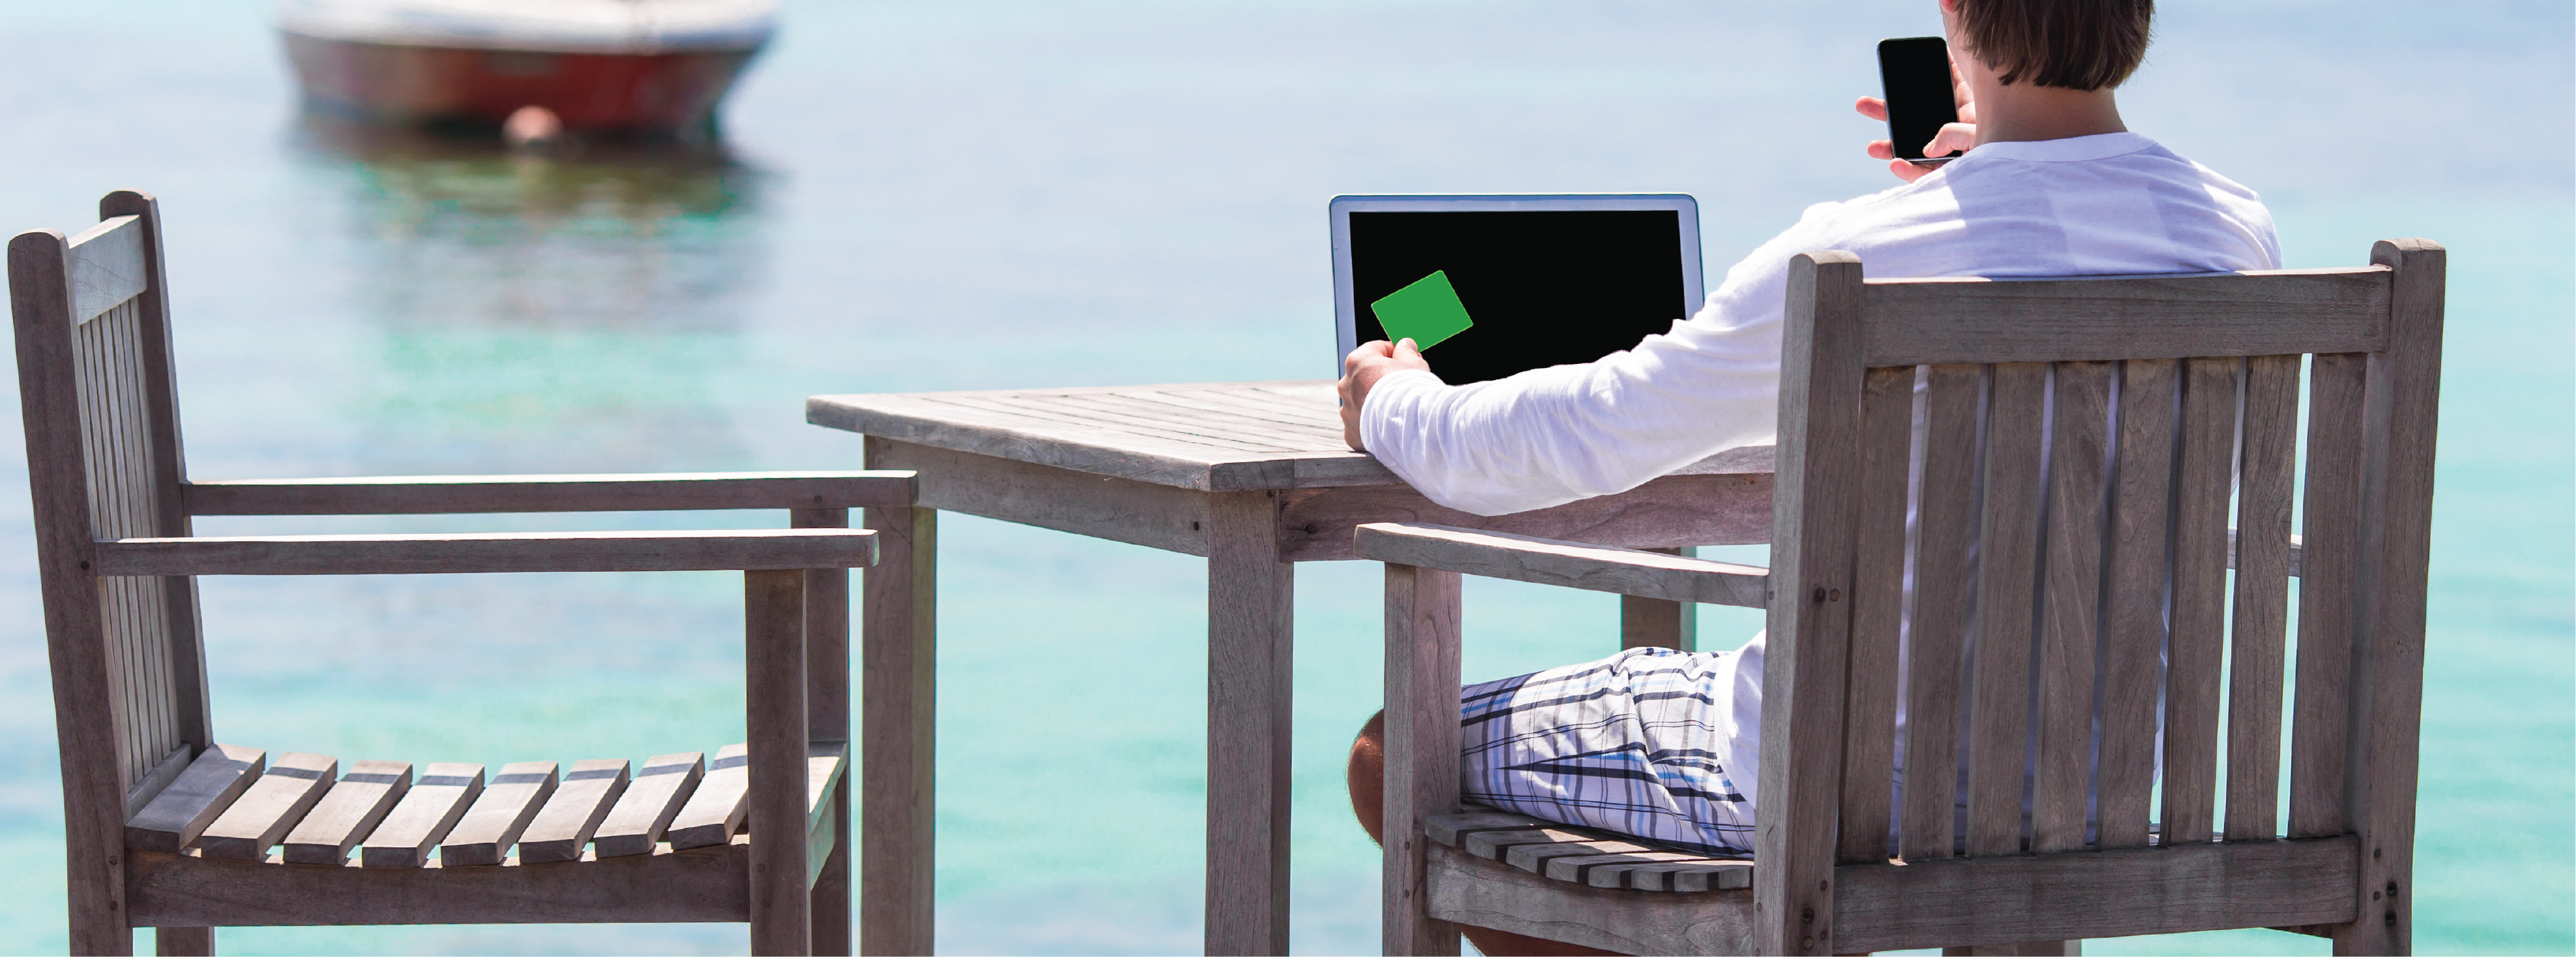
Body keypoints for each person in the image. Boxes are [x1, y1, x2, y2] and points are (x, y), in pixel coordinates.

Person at [1336, 1, 2279, 954]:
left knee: (1395, 752)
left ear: (1955, 13)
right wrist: (1985, 177)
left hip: (1840, 787)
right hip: (2102, 787)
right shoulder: (2238, 235)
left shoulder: (1858, 254)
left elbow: (1588, 433)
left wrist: (1395, 400)